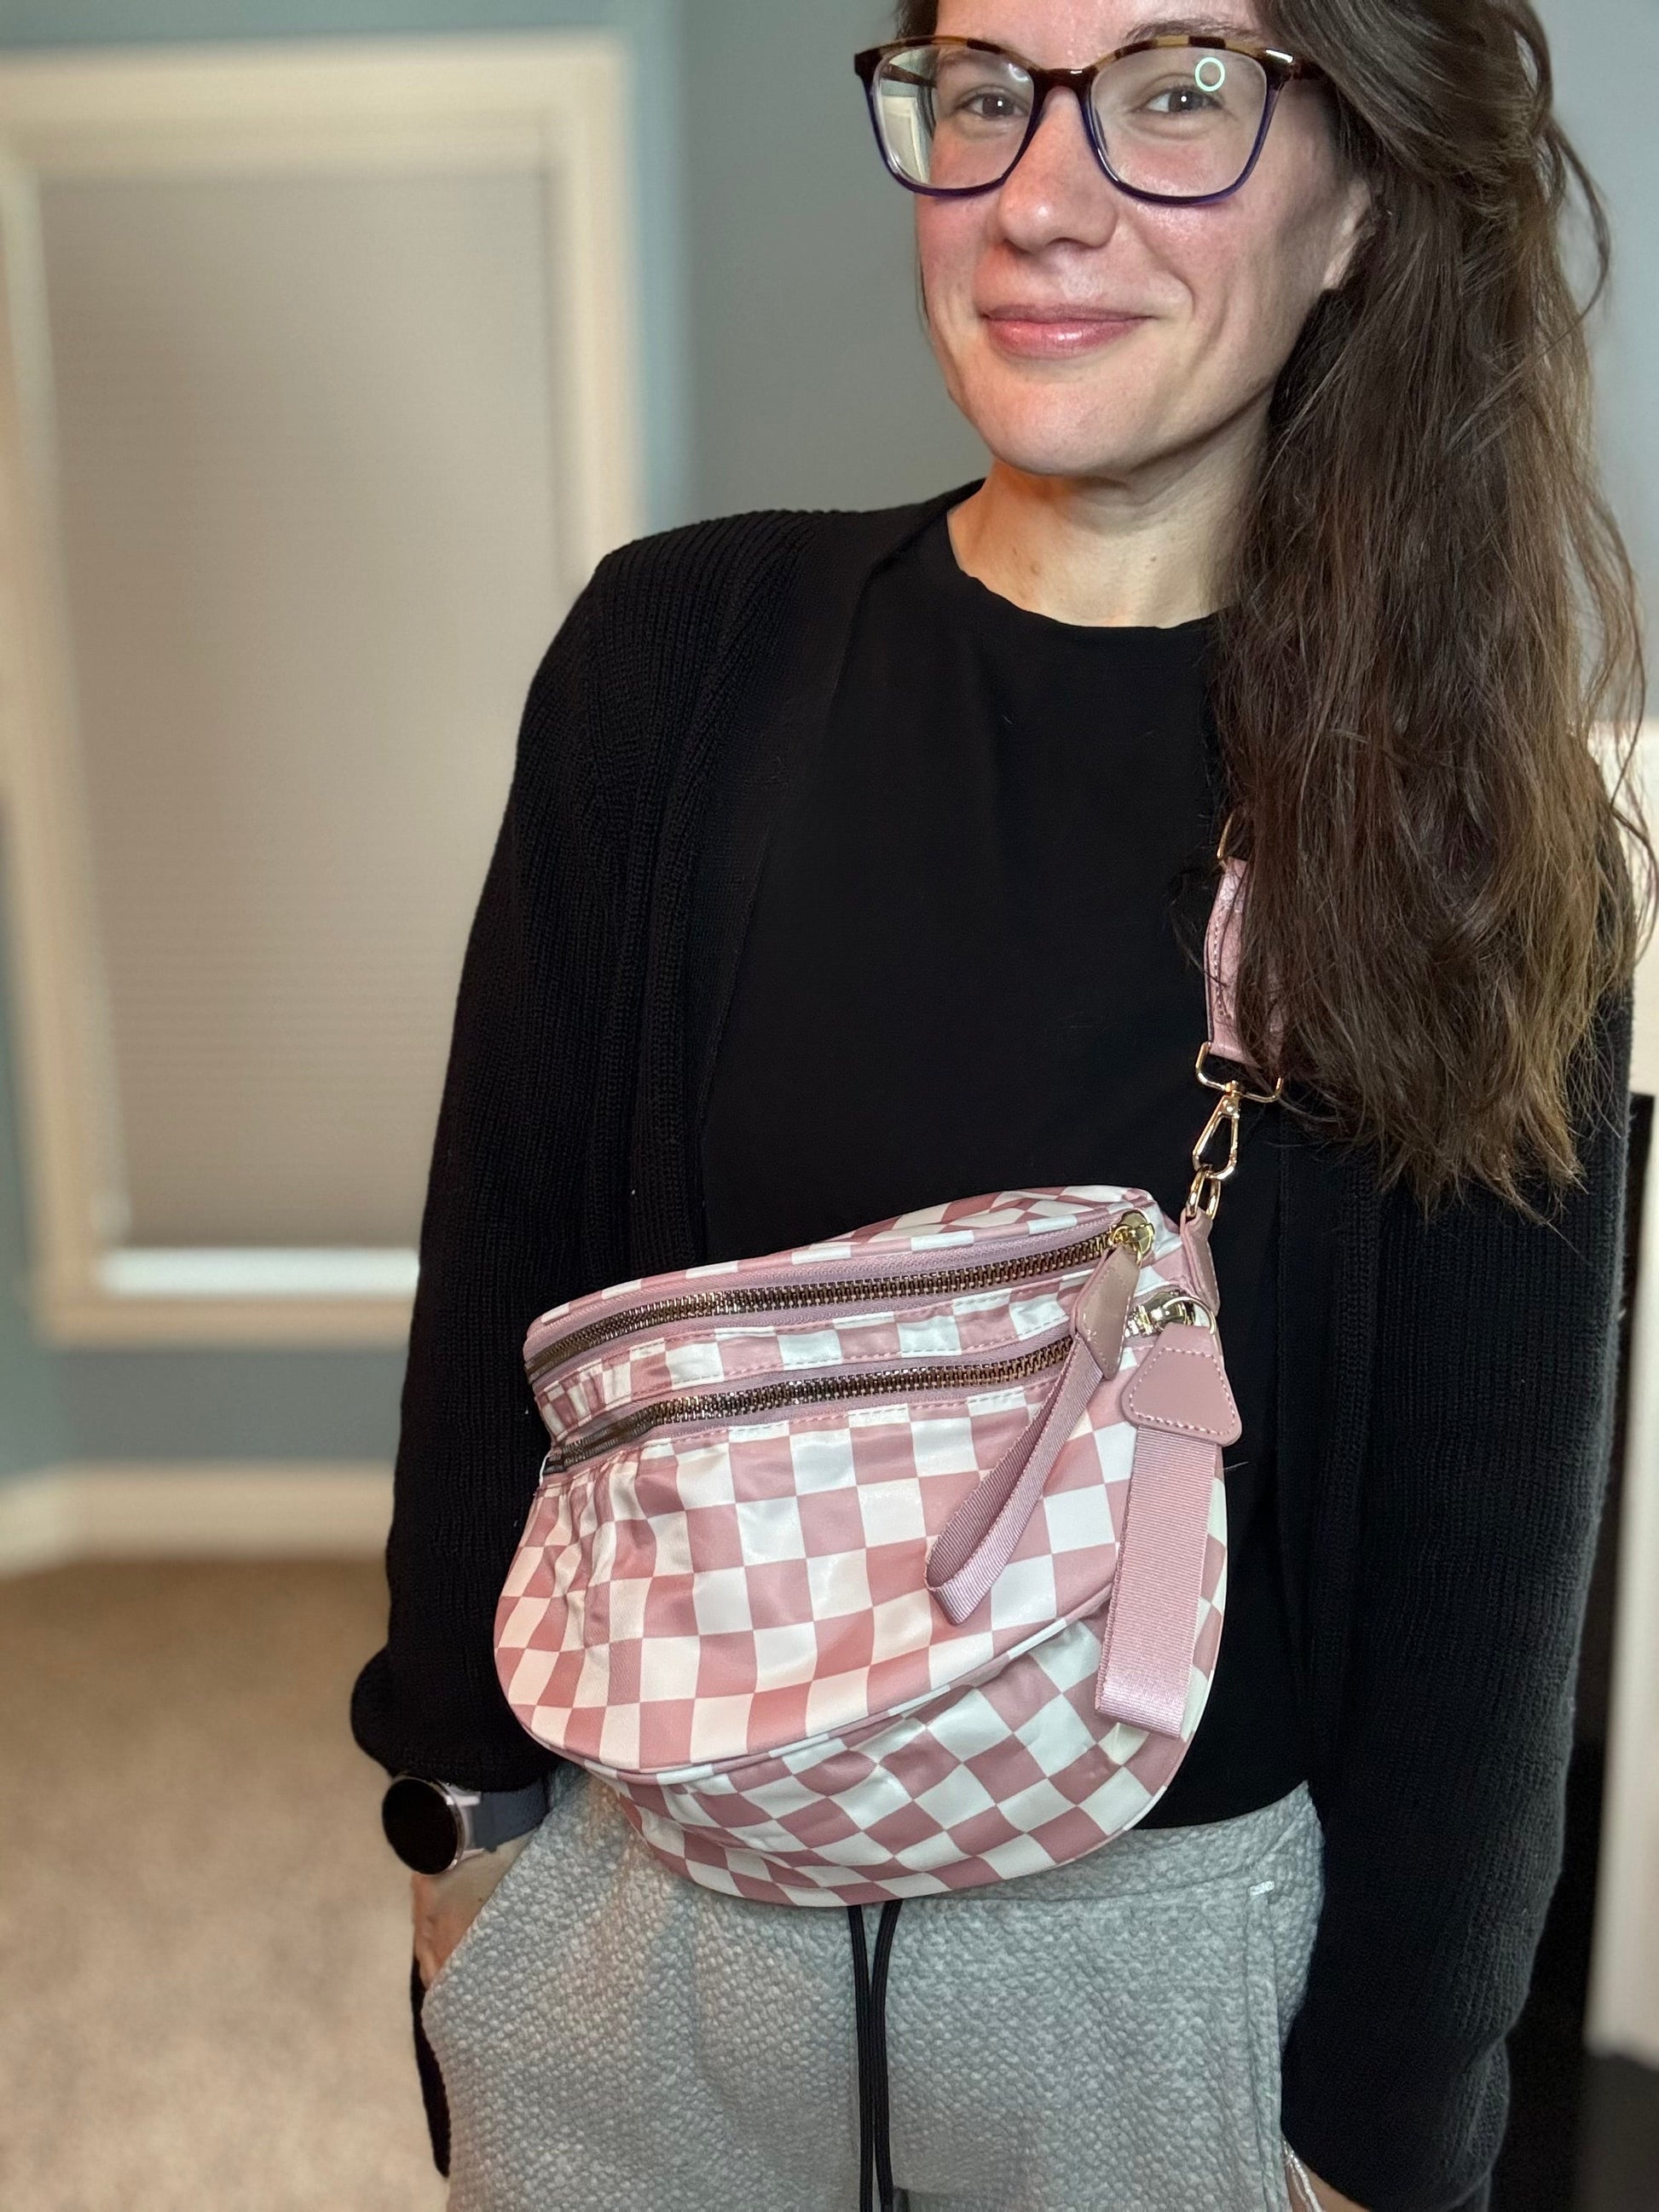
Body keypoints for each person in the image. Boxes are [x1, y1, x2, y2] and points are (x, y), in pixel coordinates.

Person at [351, 3, 1651, 2208]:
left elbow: (1480, 1605)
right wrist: (459, 1834)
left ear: (1358, 196)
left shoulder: (1472, 841)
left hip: (1164, 2004)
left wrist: (1388, 2138)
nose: (1041, 199)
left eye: (1177, 92)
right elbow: (501, 1302)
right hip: (651, 1925)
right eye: (982, 94)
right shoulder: (673, 661)